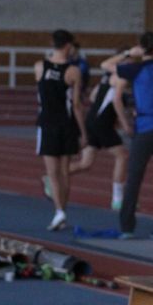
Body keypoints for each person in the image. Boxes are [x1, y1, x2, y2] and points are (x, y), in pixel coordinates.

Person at [101, 32, 153, 240]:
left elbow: (106, 65)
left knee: (134, 179)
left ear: (141, 47)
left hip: (145, 128)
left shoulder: (136, 69)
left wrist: (129, 54)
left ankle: (127, 227)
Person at [34, 29, 87, 231]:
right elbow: (77, 105)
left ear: (53, 43)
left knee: (52, 173)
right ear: (68, 46)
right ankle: (61, 213)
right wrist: (83, 132)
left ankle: (59, 212)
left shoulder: (39, 67)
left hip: (47, 123)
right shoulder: (74, 71)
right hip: (67, 124)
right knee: (64, 172)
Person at [68, 56, 133, 210]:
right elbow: (116, 101)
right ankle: (117, 199)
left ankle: (53, 176)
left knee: (85, 164)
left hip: (92, 121)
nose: (131, 67)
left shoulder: (106, 78)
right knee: (122, 156)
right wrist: (125, 124)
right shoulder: (120, 77)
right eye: (128, 63)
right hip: (101, 124)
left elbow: (92, 96)